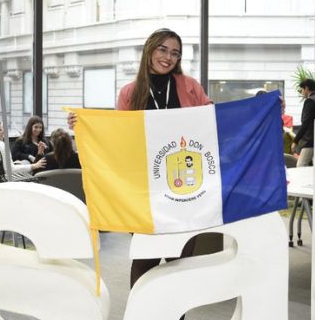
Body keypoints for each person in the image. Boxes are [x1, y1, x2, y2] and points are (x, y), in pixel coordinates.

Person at [67, 28, 214, 295]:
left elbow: (212, 121)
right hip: (146, 191)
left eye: (175, 53)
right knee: (145, 261)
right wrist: (84, 126)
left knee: (181, 263)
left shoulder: (190, 86)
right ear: (150, 50)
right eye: (163, 49)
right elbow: (118, 136)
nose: (168, 57)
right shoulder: (130, 93)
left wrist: (255, 111)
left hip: (184, 187)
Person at [0, 118, 45, 185]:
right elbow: (10, 169)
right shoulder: (2, 145)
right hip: (3, 181)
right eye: (0, 129)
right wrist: (34, 166)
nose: (4, 131)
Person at [293, 78, 315, 167]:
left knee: (301, 165)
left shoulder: (310, 101)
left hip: (310, 140)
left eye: (302, 89)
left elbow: (305, 123)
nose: (302, 92)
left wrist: (295, 141)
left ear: (306, 88)